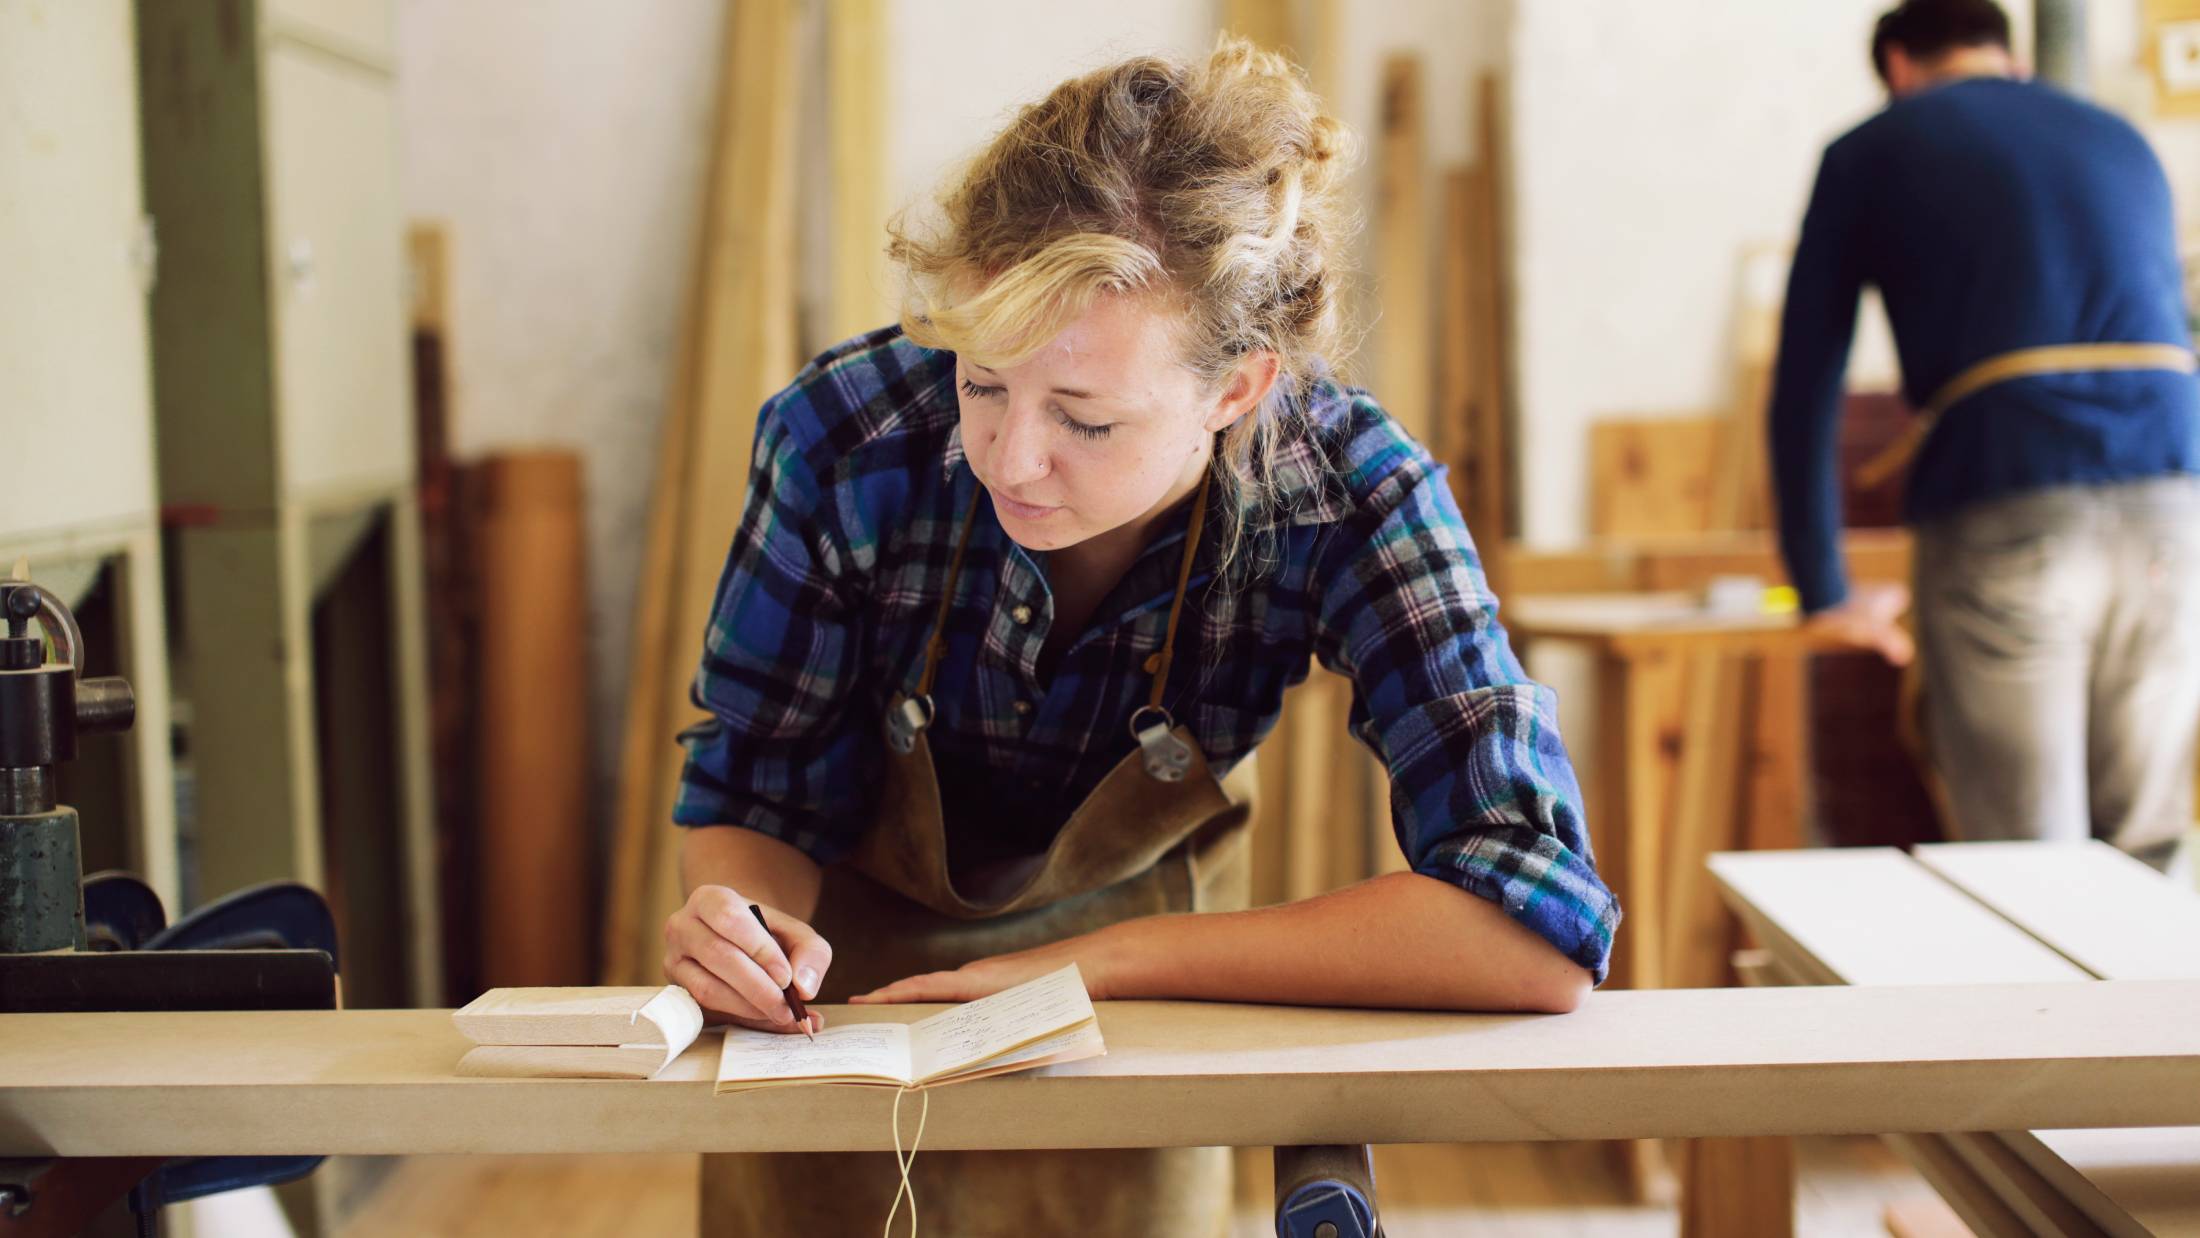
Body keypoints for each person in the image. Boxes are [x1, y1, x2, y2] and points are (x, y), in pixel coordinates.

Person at [661, 36, 1616, 1235]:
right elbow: (756, 789)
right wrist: (742, 927)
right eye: (985, 381)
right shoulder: (843, 431)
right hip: (849, 1009)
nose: (1010, 458)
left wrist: (1108, 960)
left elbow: (1533, 921)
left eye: (1087, 418)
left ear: (1238, 391)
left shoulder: (1349, 488)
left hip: (1134, 1005)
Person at [1770, 0, 2200, 870]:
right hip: (2173, 502)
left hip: (2007, 498)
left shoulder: (1873, 149)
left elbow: (1807, 377)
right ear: (2004, 52)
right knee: (2148, 846)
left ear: (1896, 65)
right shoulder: (2121, 138)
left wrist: (1825, 591)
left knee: (2028, 859)